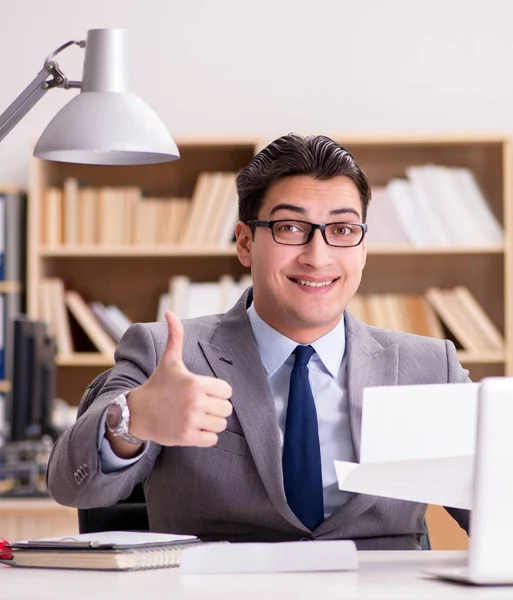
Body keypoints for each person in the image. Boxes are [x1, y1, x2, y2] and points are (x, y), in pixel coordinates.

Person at [47, 134, 469, 549]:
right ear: (246, 243)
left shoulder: (430, 367)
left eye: (341, 229)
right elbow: (71, 484)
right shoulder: (167, 354)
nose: (317, 256)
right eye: (290, 227)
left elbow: (498, 504)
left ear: (362, 247)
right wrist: (133, 417)